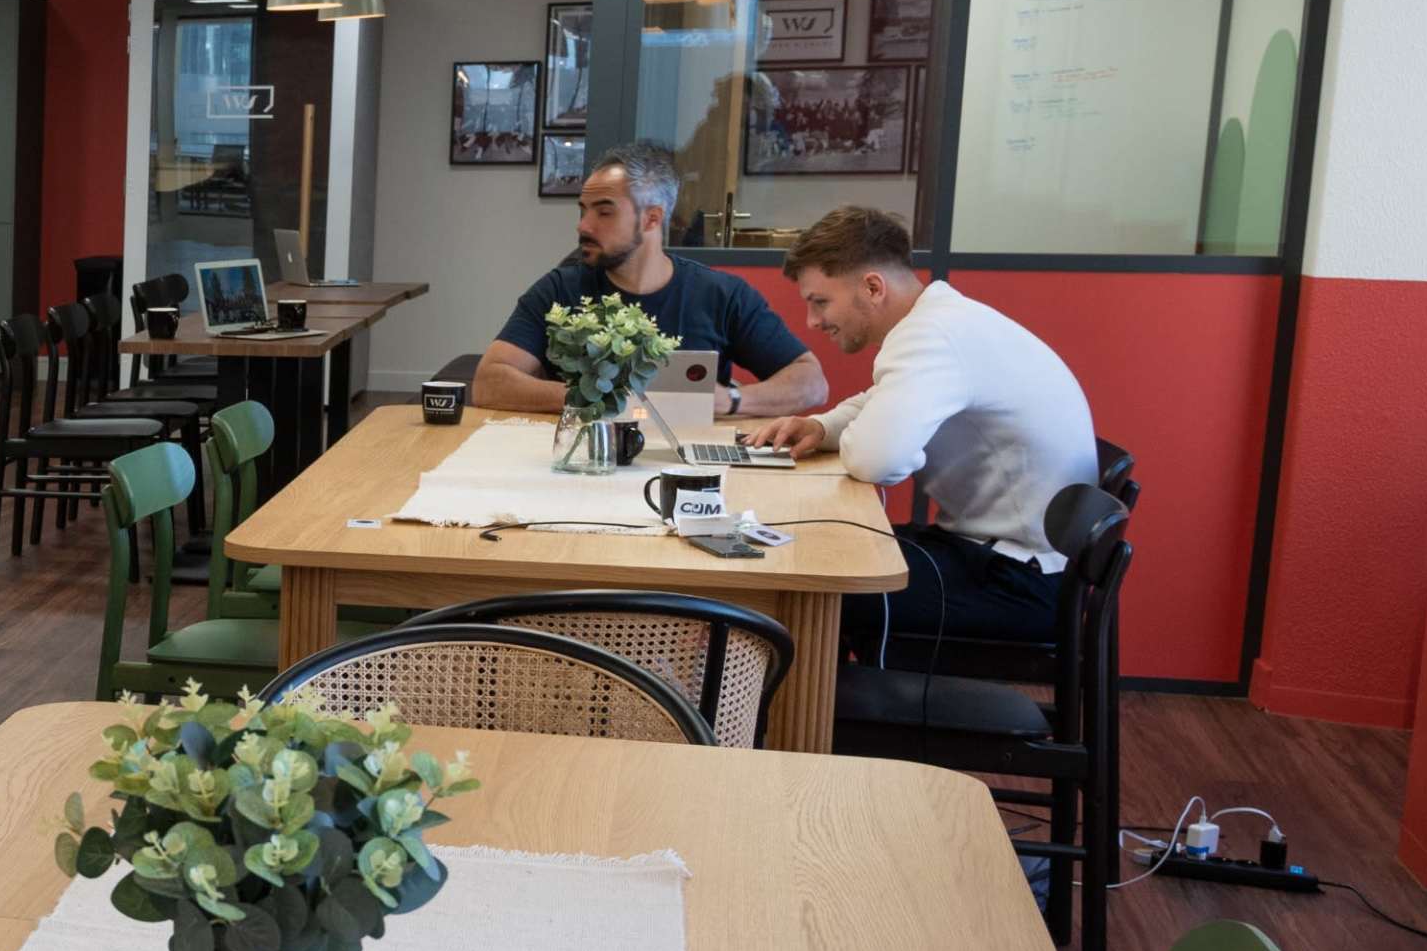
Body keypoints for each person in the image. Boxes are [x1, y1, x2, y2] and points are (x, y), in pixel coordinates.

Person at [743, 204, 1100, 662]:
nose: (813, 322)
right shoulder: (944, 322)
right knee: (814, 555)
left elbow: (877, 459)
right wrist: (820, 426)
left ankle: (797, 728)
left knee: (806, 589)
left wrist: (859, 435)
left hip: (1014, 580)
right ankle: (822, 715)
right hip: (1010, 559)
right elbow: (881, 398)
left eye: (820, 302)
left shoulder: (931, 336)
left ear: (872, 287)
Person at [468, 142, 827, 421]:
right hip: (585, 458)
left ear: (652, 219)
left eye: (604, 212)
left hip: (686, 467)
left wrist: (732, 400)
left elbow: (811, 382)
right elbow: (489, 382)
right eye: (583, 211)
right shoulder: (560, 290)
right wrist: (596, 399)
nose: (584, 226)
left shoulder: (721, 295)